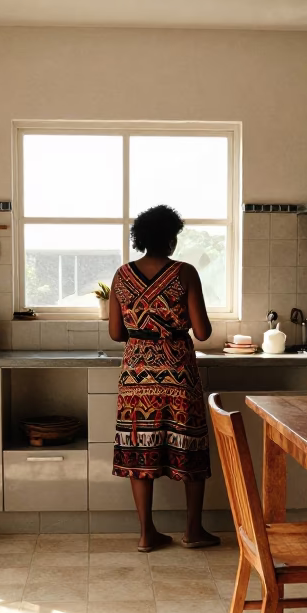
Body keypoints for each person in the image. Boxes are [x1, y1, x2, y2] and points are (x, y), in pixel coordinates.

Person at [109, 203, 220, 553]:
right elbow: (202, 332)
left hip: (136, 375)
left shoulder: (121, 275)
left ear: (140, 238)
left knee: (138, 449)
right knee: (189, 445)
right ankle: (193, 531)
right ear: (171, 240)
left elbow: (115, 333)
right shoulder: (185, 273)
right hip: (178, 374)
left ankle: (146, 534)